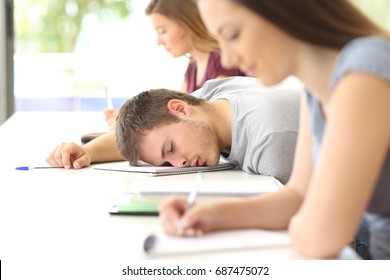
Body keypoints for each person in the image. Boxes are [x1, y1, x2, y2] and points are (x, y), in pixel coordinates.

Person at [158, 0, 390, 260]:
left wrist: (308, 223)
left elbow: (321, 237)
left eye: (233, 34)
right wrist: (211, 214)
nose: (228, 58)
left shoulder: (365, 74)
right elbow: (298, 195)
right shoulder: (315, 90)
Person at [46, 76, 301, 184]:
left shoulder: (271, 143)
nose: (179, 164)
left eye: (171, 149)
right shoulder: (212, 98)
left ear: (179, 108)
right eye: (168, 162)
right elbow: (146, 139)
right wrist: (86, 152)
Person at [103, 0, 244, 130]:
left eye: (162, 31)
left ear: (186, 24)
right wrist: (126, 117)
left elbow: (205, 123)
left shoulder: (222, 61)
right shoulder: (193, 67)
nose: (158, 41)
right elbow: (168, 107)